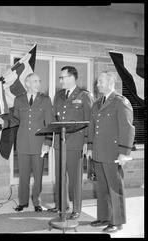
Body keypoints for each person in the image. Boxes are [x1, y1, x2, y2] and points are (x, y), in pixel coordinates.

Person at [0, 73, 53, 212]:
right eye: (35, 81)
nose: (38, 83)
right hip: (22, 142)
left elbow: (49, 123)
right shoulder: (19, 100)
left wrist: (48, 142)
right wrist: (3, 122)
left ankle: (37, 202)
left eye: (39, 81)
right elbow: (15, 120)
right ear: (27, 83)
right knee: (23, 174)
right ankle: (23, 202)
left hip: (39, 143)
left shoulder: (45, 100)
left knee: (38, 174)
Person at [86, 71, 135, 233]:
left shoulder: (120, 102)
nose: (97, 84)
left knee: (115, 188)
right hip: (99, 152)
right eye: (98, 81)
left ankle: (117, 221)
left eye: (100, 81)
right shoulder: (97, 103)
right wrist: (90, 147)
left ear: (110, 82)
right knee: (102, 187)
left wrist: (124, 152)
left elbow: (127, 129)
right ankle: (104, 217)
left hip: (113, 153)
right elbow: (92, 127)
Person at [48, 66, 94, 220]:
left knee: (74, 178)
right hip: (60, 142)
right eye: (60, 78)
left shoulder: (84, 95)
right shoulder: (58, 95)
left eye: (63, 77)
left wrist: (88, 141)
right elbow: (55, 118)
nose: (60, 80)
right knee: (60, 175)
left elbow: (90, 121)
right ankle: (61, 205)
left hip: (76, 142)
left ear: (72, 78)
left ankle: (76, 209)